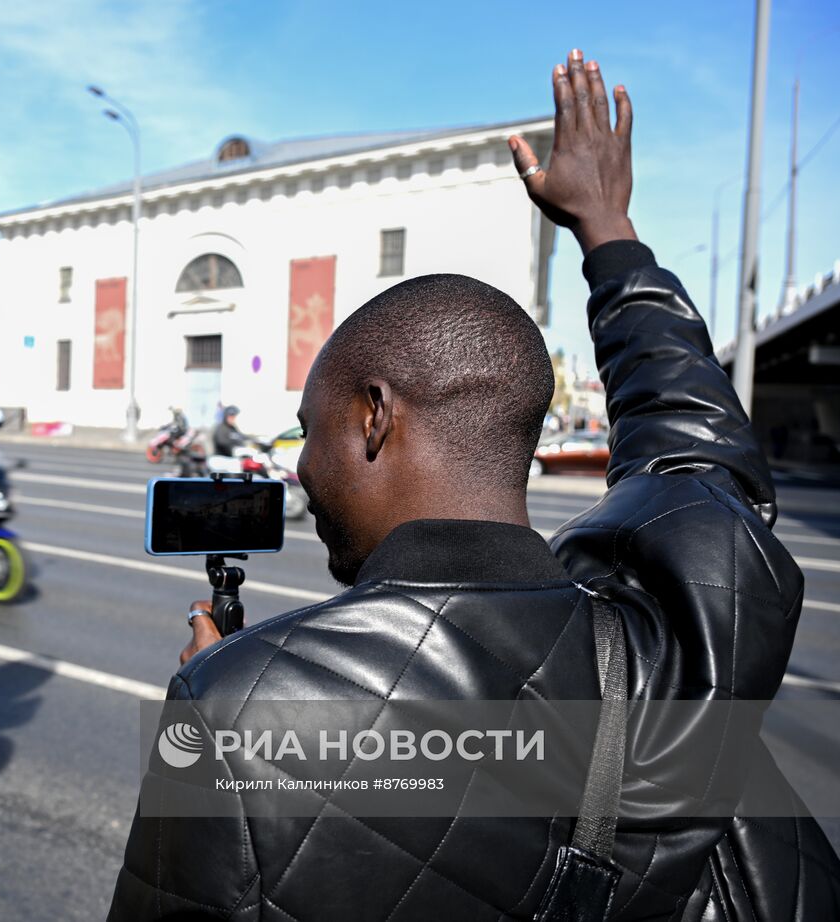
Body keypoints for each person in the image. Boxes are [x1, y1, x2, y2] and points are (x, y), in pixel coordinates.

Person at [108, 50, 840, 920]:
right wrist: (607, 225)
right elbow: (695, 454)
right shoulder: (682, 642)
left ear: (375, 416)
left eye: (311, 431)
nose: (301, 468)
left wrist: (225, 703)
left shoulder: (236, 715)